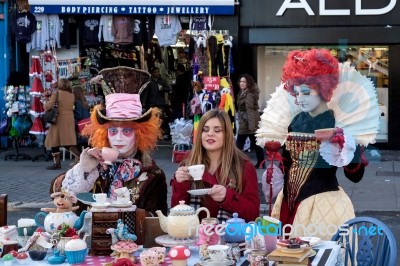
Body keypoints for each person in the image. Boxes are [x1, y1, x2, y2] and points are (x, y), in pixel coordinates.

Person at [261, 49, 369, 240]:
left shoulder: (340, 123)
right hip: (286, 205)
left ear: (323, 88)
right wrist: (275, 171)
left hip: (322, 206)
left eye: (306, 92)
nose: (300, 98)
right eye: (296, 92)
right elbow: (288, 163)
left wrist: (346, 148)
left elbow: (356, 176)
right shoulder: (295, 122)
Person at [60, 67, 168, 216]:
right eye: (112, 131)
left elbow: (157, 220)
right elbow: (60, 196)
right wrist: (83, 169)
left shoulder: (153, 175)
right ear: (105, 133)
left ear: (139, 134)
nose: (118, 138)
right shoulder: (95, 164)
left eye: (127, 131)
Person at [171, 109, 260, 222]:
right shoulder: (188, 164)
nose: (210, 134)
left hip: (230, 237)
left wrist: (228, 197)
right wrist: (180, 185)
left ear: (227, 134)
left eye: (217, 130)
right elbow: (176, 215)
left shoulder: (243, 167)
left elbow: (254, 215)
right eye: (205, 130)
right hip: (192, 236)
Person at [44, 78, 81, 170]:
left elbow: (48, 106)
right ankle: (79, 156)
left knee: (54, 140)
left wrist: (45, 102)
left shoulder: (56, 93)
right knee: (67, 140)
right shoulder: (71, 94)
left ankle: (57, 164)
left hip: (59, 119)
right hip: (69, 118)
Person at [235, 74, 265, 168]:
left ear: (248, 83)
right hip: (247, 120)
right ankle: (261, 163)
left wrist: (252, 126)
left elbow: (250, 110)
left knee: (239, 144)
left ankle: (235, 163)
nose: (242, 83)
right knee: (256, 144)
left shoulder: (248, 94)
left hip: (248, 122)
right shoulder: (243, 92)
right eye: (241, 81)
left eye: (244, 82)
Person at [140, 66, 171, 140]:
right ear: (152, 73)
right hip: (152, 103)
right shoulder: (149, 82)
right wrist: (143, 103)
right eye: (155, 72)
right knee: (152, 119)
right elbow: (146, 93)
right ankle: (153, 134)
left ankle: (159, 134)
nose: (157, 73)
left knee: (160, 119)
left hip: (160, 102)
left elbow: (169, 89)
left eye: (158, 72)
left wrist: (163, 88)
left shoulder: (162, 81)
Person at [72, 86, 90, 160]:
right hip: (87, 124)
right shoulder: (84, 101)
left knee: (77, 143)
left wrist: (72, 113)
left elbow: (79, 115)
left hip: (80, 125)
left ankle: (80, 159)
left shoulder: (77, 102)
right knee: (86, 143)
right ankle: (87, 158)